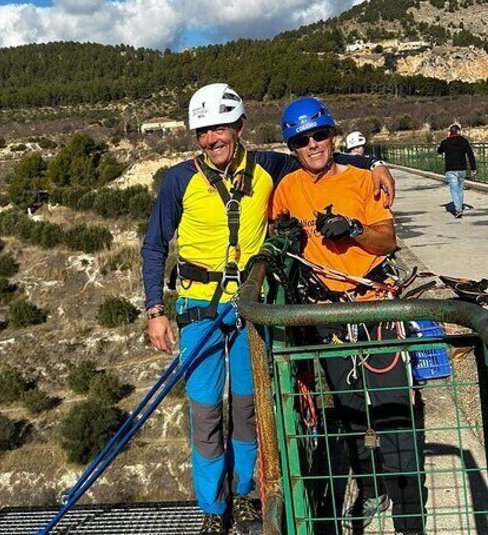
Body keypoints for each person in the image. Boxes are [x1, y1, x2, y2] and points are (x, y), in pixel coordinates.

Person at [141, 84, 396, 535]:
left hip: (246, 309)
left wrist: (373, 164)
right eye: (202, 131)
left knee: (246, 407)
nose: (211, 138)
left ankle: (242, 495)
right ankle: (211, 507)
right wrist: (155, 310)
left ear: (240, 127)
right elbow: (155, 245)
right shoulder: (179, 180)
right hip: (199, 308)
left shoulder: (266, 167)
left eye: (220, 127)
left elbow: (320, 158)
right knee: (204, 412)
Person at [270, 97, 427, 534]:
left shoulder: (361, 181)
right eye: (302, 140)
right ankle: (371, 487)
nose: (313, 145)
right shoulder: (287, 190)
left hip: (374, 307)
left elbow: (388, 238)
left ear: (332, 136)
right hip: (327, 315)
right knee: (351, 413)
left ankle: (410, 520)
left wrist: (354, 230)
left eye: (320, 135)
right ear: (292, 147)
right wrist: (282, 240)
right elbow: (274, 231)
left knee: (396, 416)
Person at [436, 123, 476, 218]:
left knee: (454, 189)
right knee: (460, 188)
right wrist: (473, 168)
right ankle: (460, 207)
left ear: (450, 132)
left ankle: (458, 209)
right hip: (462, 168)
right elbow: (470, 154)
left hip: (450, 169)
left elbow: (439, 151)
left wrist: (446, 139)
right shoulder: (464, 141)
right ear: (458, 131)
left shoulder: (445, 142)